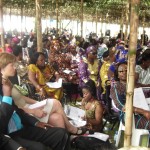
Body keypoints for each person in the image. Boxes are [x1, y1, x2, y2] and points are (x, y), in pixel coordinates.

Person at [0, 52, 89, 136]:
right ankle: (71, 129)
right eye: (12, 65)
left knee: (57, 117)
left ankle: (64, 139)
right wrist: (33, 110)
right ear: (2, 67)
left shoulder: (7, 82)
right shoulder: (3, 86)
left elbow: (21, 97)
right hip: (24, 113)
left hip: (28, 106)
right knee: (56, 103)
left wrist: (37, 103)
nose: (15, 68)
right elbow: (13, 108)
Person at [0, 69, 70, 150]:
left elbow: (18, 111)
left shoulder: (3, 91)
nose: (1, 76)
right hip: (8, 136)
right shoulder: (6, 93)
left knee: (61, 133)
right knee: (40, 148)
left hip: (22, 129)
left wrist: (35, 122)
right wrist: (6, 97)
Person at [110, 62, 150, 130]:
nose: (124, 72)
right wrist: (143, 112)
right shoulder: (116, 87)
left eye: (126, 70)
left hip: (146, 111)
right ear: (118, 75)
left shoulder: (136, 85)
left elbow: (147, 88)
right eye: (121, 71)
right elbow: (122, 106)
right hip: (129, 115)